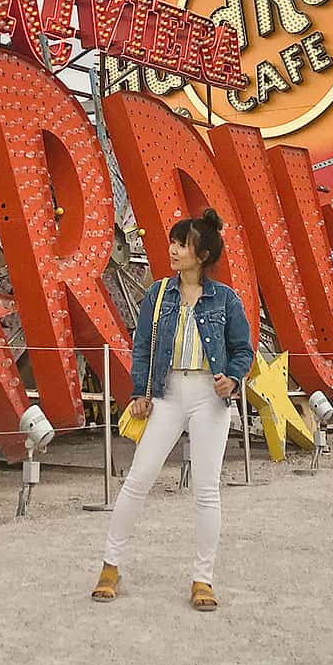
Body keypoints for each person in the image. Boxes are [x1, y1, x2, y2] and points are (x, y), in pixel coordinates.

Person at [92, 209, 254, 611]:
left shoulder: (226, 299)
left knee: (206, 490)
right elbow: (142, 344)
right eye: (174, 242)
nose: (174, 249)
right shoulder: (158, 293)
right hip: (166, 393)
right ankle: (110, 565)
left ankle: (203, 579)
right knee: (139, 477)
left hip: (209, 396)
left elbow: (243, 350)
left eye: (182, 244)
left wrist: (231, 379)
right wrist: (139, 391)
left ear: (202, 254)